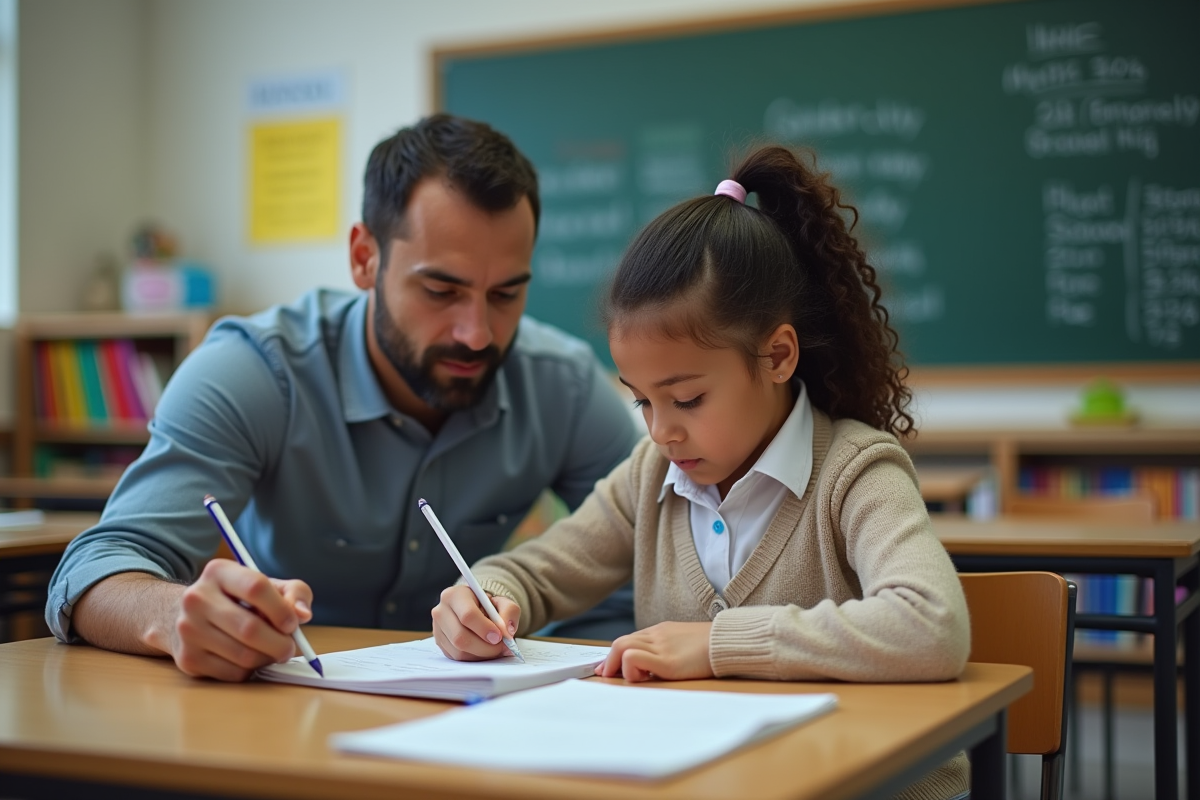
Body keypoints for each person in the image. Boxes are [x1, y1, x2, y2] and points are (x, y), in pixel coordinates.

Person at [432, 145, 972, 800]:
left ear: (776, 356)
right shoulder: (652, 476)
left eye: (686, 398)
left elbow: (932, 627)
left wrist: (719, 644)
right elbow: (535, 571)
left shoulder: (856, 475)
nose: (661, 430)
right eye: (642, 400)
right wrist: (483, 596)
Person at [46, 114, 641, 682]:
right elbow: (95, 570)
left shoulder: (559, 384)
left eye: (506, 295)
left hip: (477, 719)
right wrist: (176, 618)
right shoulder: (251, 372)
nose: (478, 333)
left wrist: (573, 671)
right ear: (364, 258)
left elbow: (652, 547)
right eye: (441, 290)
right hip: (282, 716)